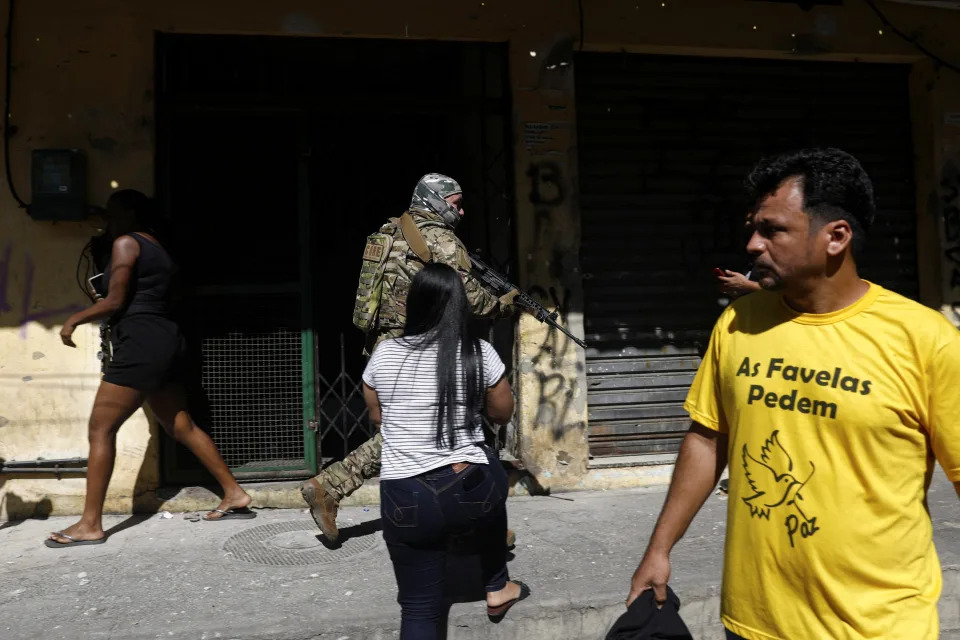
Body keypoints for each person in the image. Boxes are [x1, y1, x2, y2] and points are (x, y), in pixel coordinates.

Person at [626, 148, 960, 640]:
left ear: (836, 237)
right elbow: (706, 437)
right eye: (753, 227)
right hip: (754, 623)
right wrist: (658, 549)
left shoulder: (924, 340)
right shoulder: (739, 322)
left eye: (773, 229)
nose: (753, 244)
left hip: (879, 626)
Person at [301, 173, 515, 542]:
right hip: (421, 345)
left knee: (415, 429)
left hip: (385, 344)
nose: (461, 211)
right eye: (455, 203)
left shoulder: (387, 233)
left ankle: (467, 517)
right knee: (426, 428)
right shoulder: (439, 239)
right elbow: (467, 296)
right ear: (434, 199)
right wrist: (501, 304)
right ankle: (331, 486)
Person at [47, 190, 253, 548]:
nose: (108, 222)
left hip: (142, 343)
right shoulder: (157, 246)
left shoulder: (127, 244)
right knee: (180, 424)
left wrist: (73, 320)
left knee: (101, 428)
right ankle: (234, 493)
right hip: (166, 339)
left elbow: (115, 301)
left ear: (128, 214)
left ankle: (89, 524)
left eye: (112, 214)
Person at [364, 263, 529, 638]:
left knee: (420, 609)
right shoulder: (479, 353)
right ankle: (497, 585)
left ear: (414, 303)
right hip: (465, 488)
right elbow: (503, 413)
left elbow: (378, 418)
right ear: (460, 305)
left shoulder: (385, 354)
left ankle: (482, 579)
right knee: (489, 467)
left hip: (404, 497)